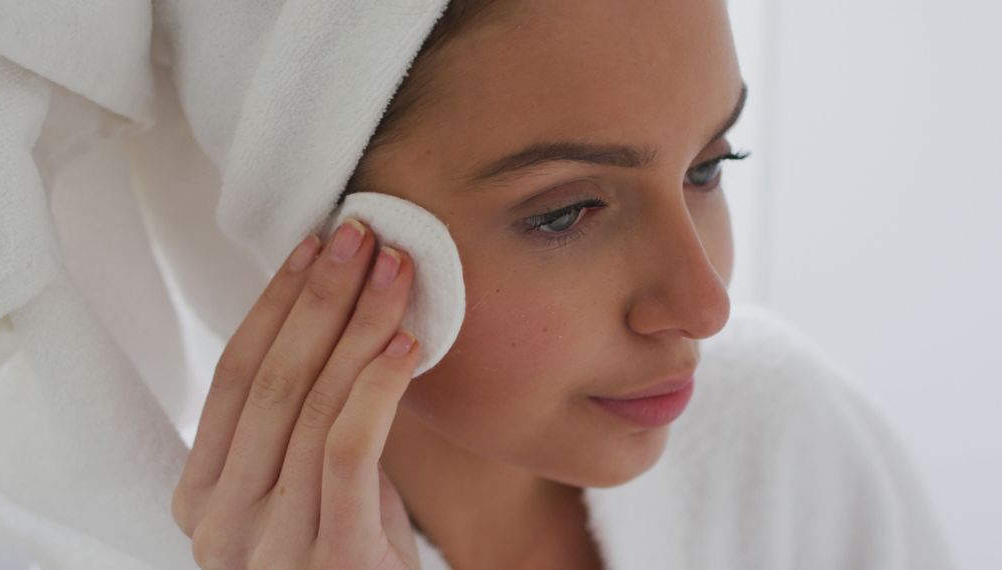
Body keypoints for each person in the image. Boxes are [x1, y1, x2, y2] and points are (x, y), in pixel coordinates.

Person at [171, 1, 955, 569]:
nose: (705, 307)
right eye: (567, 213)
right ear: (318, 229)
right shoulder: (127, 545)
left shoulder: (780, 439)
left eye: (708, 168)